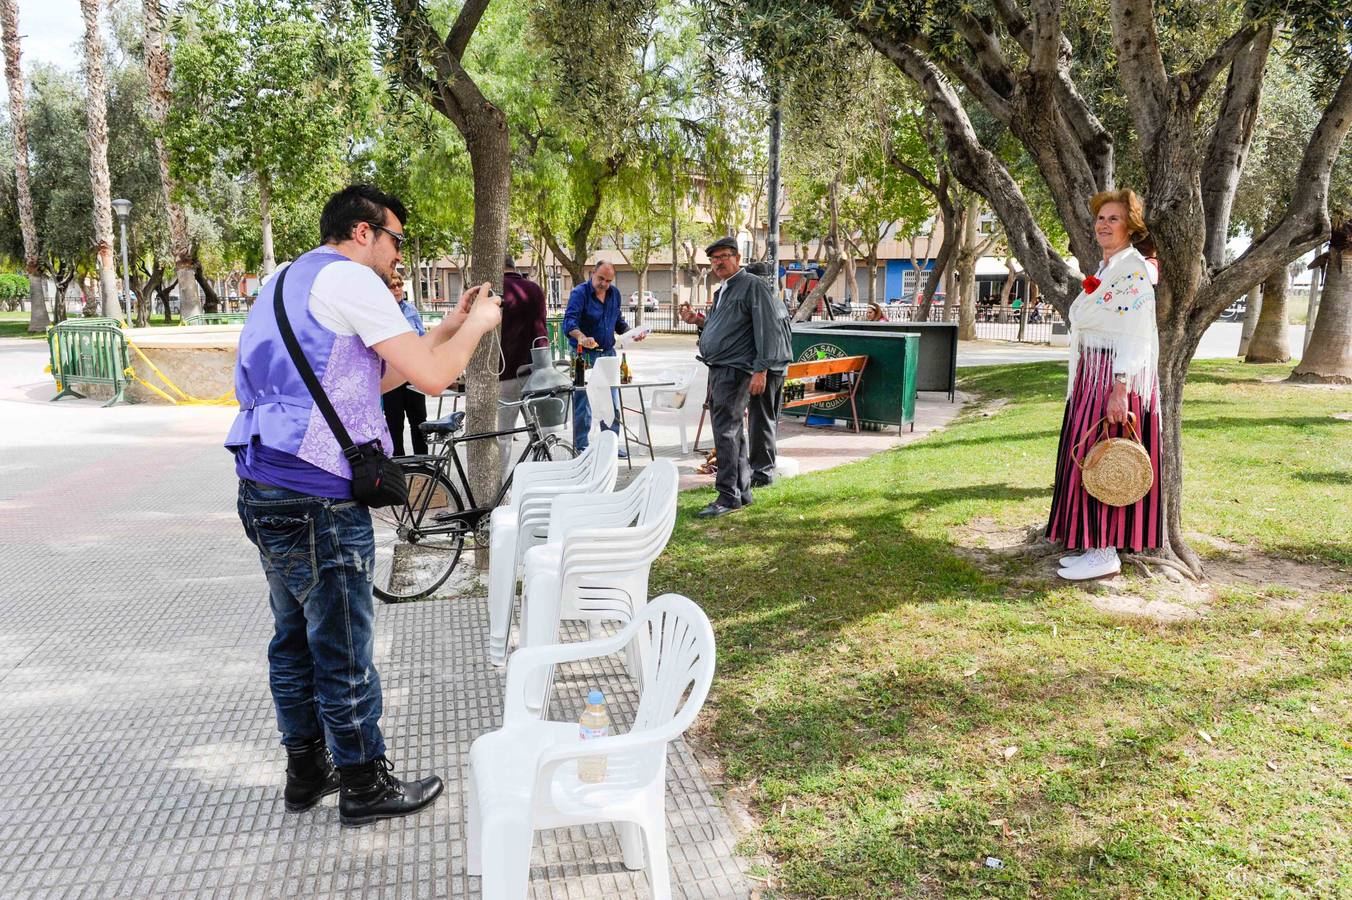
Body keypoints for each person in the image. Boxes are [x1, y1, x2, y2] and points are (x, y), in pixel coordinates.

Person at [226, 184, 502, 826]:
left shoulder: (287, 279)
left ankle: (307, 772)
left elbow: (370, 377)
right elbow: (433, 380)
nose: (398, 254)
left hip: (265, 482)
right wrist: (485, 327)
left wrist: (451, 325)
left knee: (293, 641)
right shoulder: (353, 281)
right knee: (343, 645)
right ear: (362, 233)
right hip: (316, 495)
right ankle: (362, 783)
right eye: (395, 240)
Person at [1047, 188, 1163, 580]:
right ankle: (1092, 544)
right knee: (1089, 457)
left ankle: (1106, 551)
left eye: (1113, 219)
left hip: (1111, 375)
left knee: (1106, 457)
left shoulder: (1132, 270)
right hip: (1091, 372)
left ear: (1130, 226)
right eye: (1100, 218)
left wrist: (1120, 386)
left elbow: (1135, 333)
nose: (1104, 225)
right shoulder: (1110, 267)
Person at [680, 237, 792, 516]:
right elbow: (725, 326)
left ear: (737, 258)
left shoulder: (752, 285)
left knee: (726, 433)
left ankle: (727, 496)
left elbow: (767, 330)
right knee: (732, 434)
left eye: (724, 256)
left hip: (737, 369)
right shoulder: (723, 291)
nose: (719, 262)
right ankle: (741, 491)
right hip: (720, 368)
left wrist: (761, 370)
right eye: (714, 259)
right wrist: (698, 320)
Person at [563, 261, 644, 456]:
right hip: (584, 355)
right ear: (592, 273)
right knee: (585, 400)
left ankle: (610, 445)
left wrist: (631, 333)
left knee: (612, 401)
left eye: (608, 280)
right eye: (601, 279)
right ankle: (581, 447)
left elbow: (618, 322)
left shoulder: (614, 294)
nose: (604, 284)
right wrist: (582, 337)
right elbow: (569, 323)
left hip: (608, 353)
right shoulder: (579, 293)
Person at [497, 255, 549, 474]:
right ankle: (544, 475)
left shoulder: (496, 291)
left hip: (504, 371)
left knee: (503, 436)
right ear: (514, 266)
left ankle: (499, 486)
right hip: (534, 369)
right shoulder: (534, 290)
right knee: (539, 433)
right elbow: (542, 327)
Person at [379, 272, 429, 456]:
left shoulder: (411, 310)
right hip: (391, 375)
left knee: (420, 420)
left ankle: (423, 462)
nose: (398, 289)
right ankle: (399, 464)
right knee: (394, 422)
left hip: (413, 374)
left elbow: (422, 338)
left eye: (399, 285)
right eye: (393, 286)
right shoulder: (381, 313)